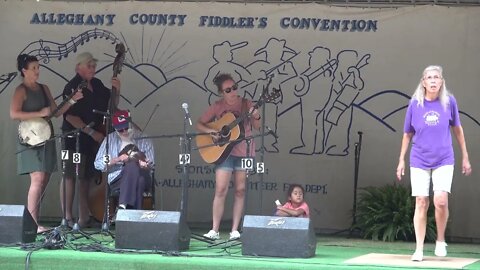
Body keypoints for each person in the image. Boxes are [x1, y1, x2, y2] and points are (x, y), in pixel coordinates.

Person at [396, 65, 472, 262]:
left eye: (436, 77)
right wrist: (401, 160)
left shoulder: (449, 102)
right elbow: (407, 134)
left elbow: (458, 130)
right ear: (423, 82)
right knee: (421, 201)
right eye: (429, 77)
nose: (433, 80)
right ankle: (419, 249)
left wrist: (465, 156)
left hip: (444, 158)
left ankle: (440, 240)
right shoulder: (415, 104)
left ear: (441, 81)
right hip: (419, 159)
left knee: (440, 200)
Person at [10, 54, 83, 233]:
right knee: (37, 178)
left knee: (45, 178)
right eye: (33, 68)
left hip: (46, 135)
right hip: (29, 138)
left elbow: (55, 113)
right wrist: (38, 113)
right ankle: (32, 224)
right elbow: (14, 114)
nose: (37, 71)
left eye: (38, 67)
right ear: (24, 71)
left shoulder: (44, 88)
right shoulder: (21, 90)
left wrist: (73, 99)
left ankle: (35, 219)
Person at [197, 73, 261, 240]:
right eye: (228, 89)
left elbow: (258, 126)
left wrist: (256, 115)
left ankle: (234, 230)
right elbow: (199, 124)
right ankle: (214, 230)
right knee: (221, 189)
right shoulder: (217, 106)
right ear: (221, 93)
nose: (233, 91)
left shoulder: (246, 104)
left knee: (240, 190)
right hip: (224, 153)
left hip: (244, 151)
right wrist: (212, 131)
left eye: (235, 87)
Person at [61, 52, 121, 228]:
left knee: (86, 178)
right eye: (89, 66)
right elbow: (69, 117)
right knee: (70, 176)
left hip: (91, 138)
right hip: (74, 137)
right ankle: (67, 217)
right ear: (78, 67)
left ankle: (84, 216)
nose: (93, 69)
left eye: (94, 66)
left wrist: (118, 88)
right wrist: (90, 131)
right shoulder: (72, 86)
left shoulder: (97, 84)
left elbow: (112, 105)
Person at [94, 110, 155, 210]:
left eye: (126, 128)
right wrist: (117, 159)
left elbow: (151, 163)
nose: (124, 132)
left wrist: (145, 164)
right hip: (118, 178)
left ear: (131, 124)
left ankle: (123, 204)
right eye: (120, 130)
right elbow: (98, 163)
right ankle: (135, 215)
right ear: (115, 128)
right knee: (139, 181)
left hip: (143, 173)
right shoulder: (110, 139)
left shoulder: (143, 138)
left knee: (133, 165)